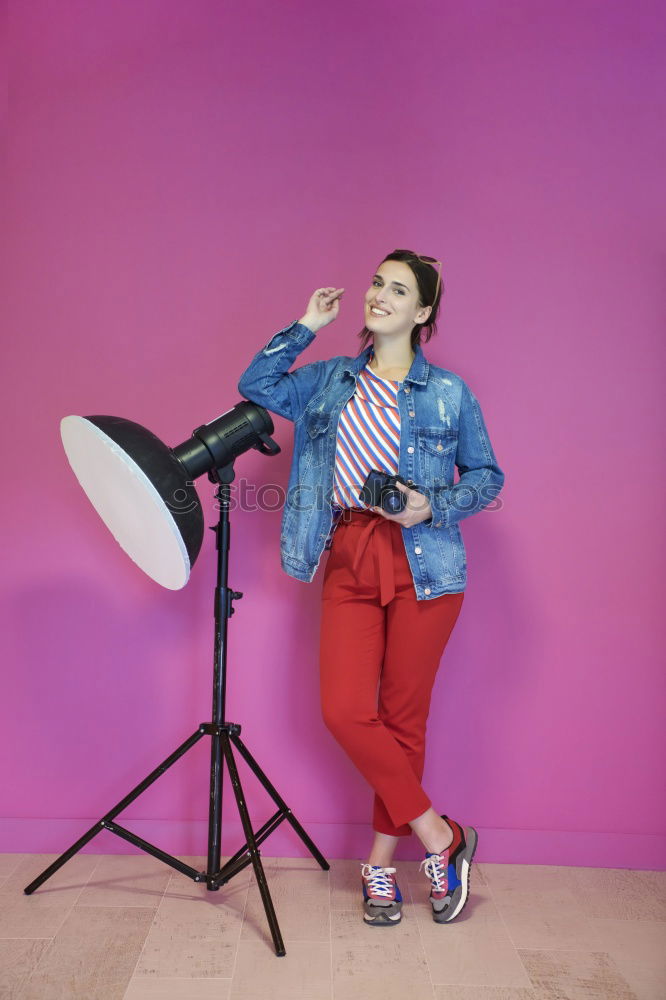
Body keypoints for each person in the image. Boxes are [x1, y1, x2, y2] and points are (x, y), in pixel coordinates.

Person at [238, 249, 505, 927]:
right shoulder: (329, 380)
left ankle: (382, 864)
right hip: (351, 553)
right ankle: (443, 838)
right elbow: (258, 383)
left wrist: (432, 505)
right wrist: (305, 324)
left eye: (399, 290)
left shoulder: (450, 393)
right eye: (377, 284)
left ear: (422, 314)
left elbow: (488, 477)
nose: (379, 295)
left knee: (403, 721)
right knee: (346, 709)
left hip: (426, 560)